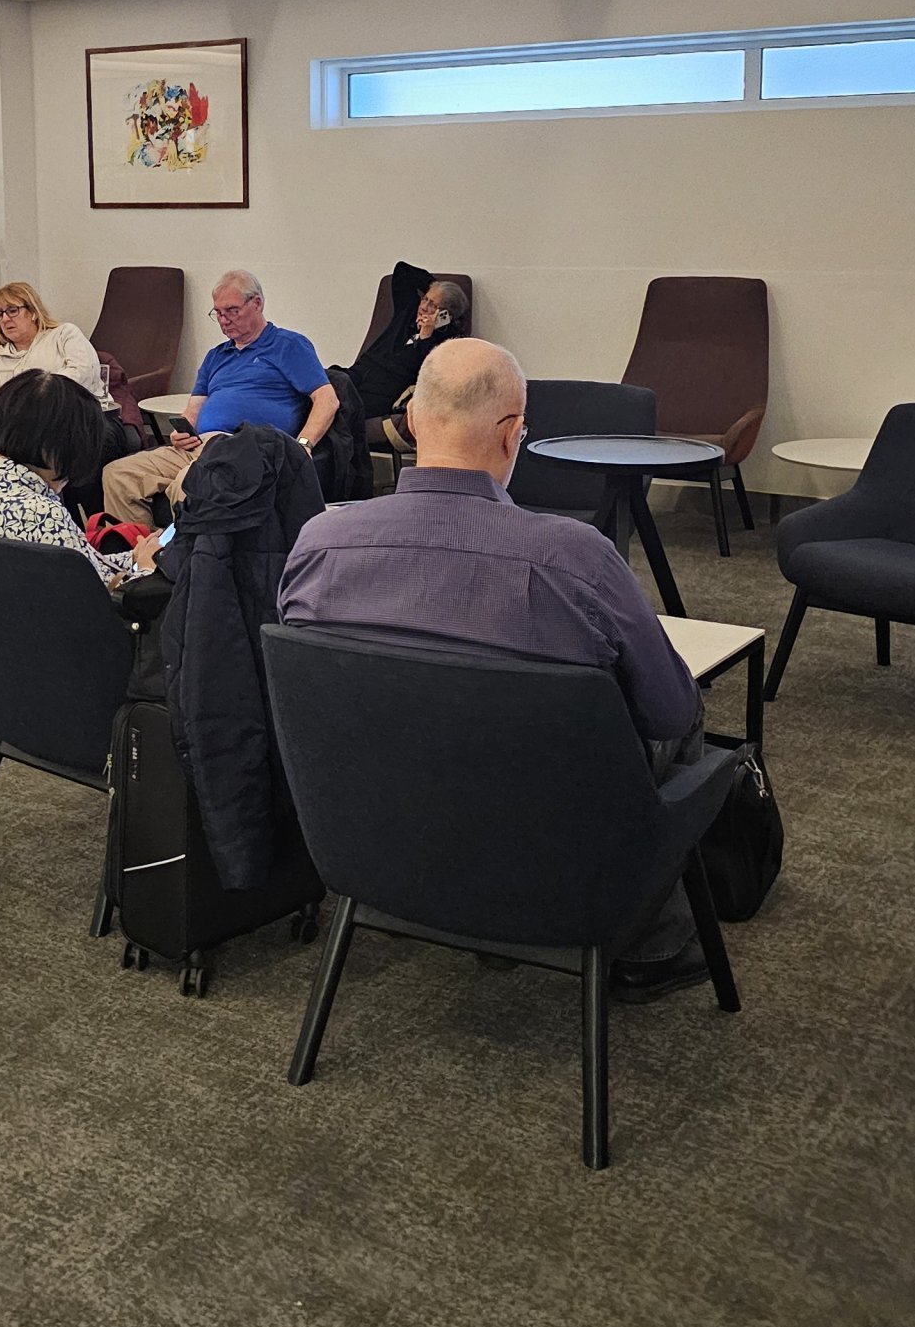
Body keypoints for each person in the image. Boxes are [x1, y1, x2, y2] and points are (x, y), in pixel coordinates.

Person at [277, 337, 710, 999]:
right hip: (547, 856)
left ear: (413, 421)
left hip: (373, 839)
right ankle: (651, 946)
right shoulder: (578, 558)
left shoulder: (320, 542)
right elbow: (669, 712)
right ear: (513, 434)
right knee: (688, 718)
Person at [100, 269, 337, 520]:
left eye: (232, 311)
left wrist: (303, 445)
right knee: (118, 474)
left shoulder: (288, 345)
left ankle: (183, 546)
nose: (224, 320)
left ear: (257, 303)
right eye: (218, 313)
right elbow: (193, 411)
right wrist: (182, 433)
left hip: (246, 448)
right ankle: (138, 545)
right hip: (200, 446)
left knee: (190, 483)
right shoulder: (216, 356)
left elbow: (327, 399)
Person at [0, 371, 161, 587]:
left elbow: (83, 565)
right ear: (62, 446)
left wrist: (135, 557)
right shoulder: (41, 513)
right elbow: (96, 594)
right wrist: (147, 569)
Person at [0, 281, 111, 440]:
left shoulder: (64, 335)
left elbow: (81, 375)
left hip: (73, 421)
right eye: (0, 314)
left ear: (33, 312)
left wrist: (30, 402)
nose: (5, 319)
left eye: (12, 310)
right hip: (18, 431)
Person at [352, 277, 468, 451]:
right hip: (357, 374)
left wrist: (426, 336)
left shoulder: (444, 344)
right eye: (425, 299)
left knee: (337, 403)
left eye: (433, 305)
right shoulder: (406, 318)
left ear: (445, 315)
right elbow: (403, 273)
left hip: (380, 393)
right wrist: (434, 286)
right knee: (326, 381)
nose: (424, 307)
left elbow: (425, 376)